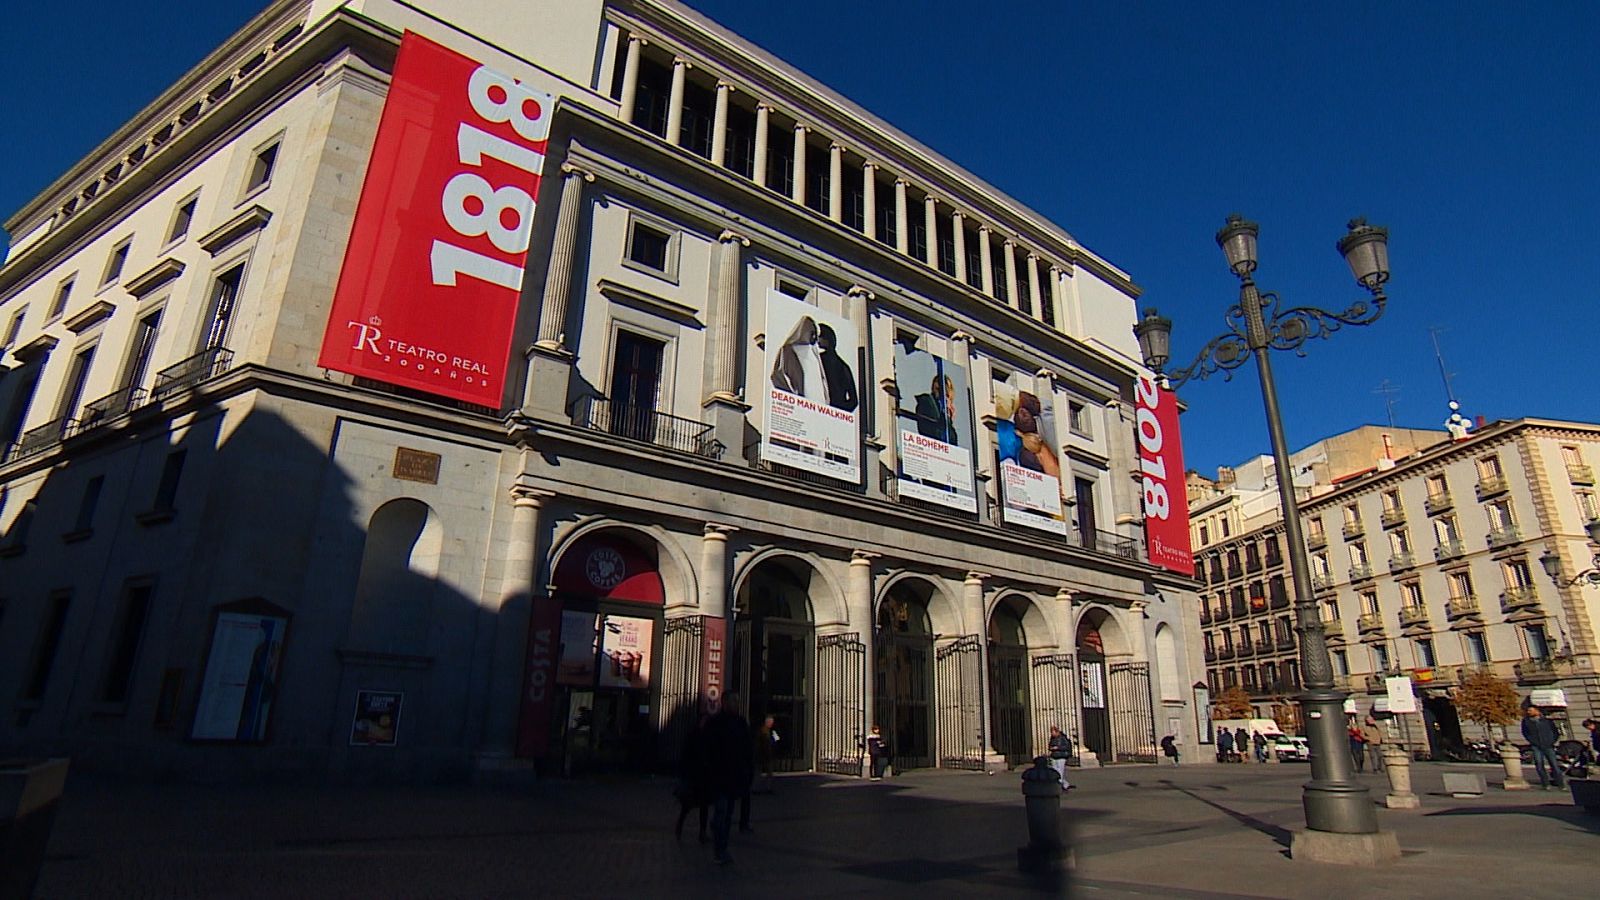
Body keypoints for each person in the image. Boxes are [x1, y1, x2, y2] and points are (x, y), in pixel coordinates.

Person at [704, 696, 754, 864]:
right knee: (722, 812)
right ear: (724, 703)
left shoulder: (740, 723)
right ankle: (720, 849)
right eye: (734, 701)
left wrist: (748, 771)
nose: (737, 705)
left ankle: (721, 843)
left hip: (733, 777)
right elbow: (708, 750)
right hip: (720, 777)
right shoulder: (716, 723)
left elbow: (748, 750)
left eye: (738, 702)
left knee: (727, 814)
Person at [673, 716, 711, 843]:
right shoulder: (697, 736)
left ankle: (701, 831)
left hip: (700, 776)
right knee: (690, 805)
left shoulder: (700, 736)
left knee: (701, 805)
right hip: (696, 775)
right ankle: (697, 831)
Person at [770, 316, 823, 400]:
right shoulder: (787, 350)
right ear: (803, 331)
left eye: (816, 334)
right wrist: (793, 396)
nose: (814, 338)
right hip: (800, 404)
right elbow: (777, 375)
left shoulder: (815, 354)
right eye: (812, 333)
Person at [815, 323, 857, 412]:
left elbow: (854, 400)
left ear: (827, 339)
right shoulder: (844, 366)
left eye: (820, 337)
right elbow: (853, 401)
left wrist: (835, 408)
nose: (817, 341)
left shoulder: (818, 360)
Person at [1521, 706, 1564, 790]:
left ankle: (1560, 784)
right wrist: (1532, 741)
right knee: (1539, 765)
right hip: (1536, 746)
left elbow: (1555, 732)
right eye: (1528, 710)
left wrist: (1552, 741)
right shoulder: (1526, 722)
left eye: (1531, 710)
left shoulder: (1547, 721)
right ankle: (1545, 784)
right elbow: (1525, 733)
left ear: (1537, 711)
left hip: (1548, 745)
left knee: (1554, 765)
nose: (1528, 712)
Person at [914, 374, 959, 444]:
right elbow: (935, 434)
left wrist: (949, 419)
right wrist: (946, 416)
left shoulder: (935, 406)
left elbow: (951, 441)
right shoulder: (928, 402)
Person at [753, 715, 778, 795]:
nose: (771, 724)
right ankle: (757, 788)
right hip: (762, 754)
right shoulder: (762, 731)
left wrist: (774, 741)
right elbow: (759, 743)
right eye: (770, 722)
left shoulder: (771, 731)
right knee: (760, 772)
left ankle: (767, 788)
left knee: (768, 773)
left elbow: (775, 741)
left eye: (772, 722)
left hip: (767, 754)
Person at [1048, 725, 1074, 790]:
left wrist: (1058, 748)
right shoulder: (1052, 738)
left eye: (1053, 732)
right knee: (1055, 771)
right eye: (1051, 732)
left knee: (1060, 771)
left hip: (1061, 756)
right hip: (1054, 756)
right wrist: (1051, 748)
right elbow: (1050, 746)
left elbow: (1067, 747)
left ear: (1057, 732)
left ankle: (1059, 785)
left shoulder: (1063, 738)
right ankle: (1065, 784)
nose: (1052, 733)